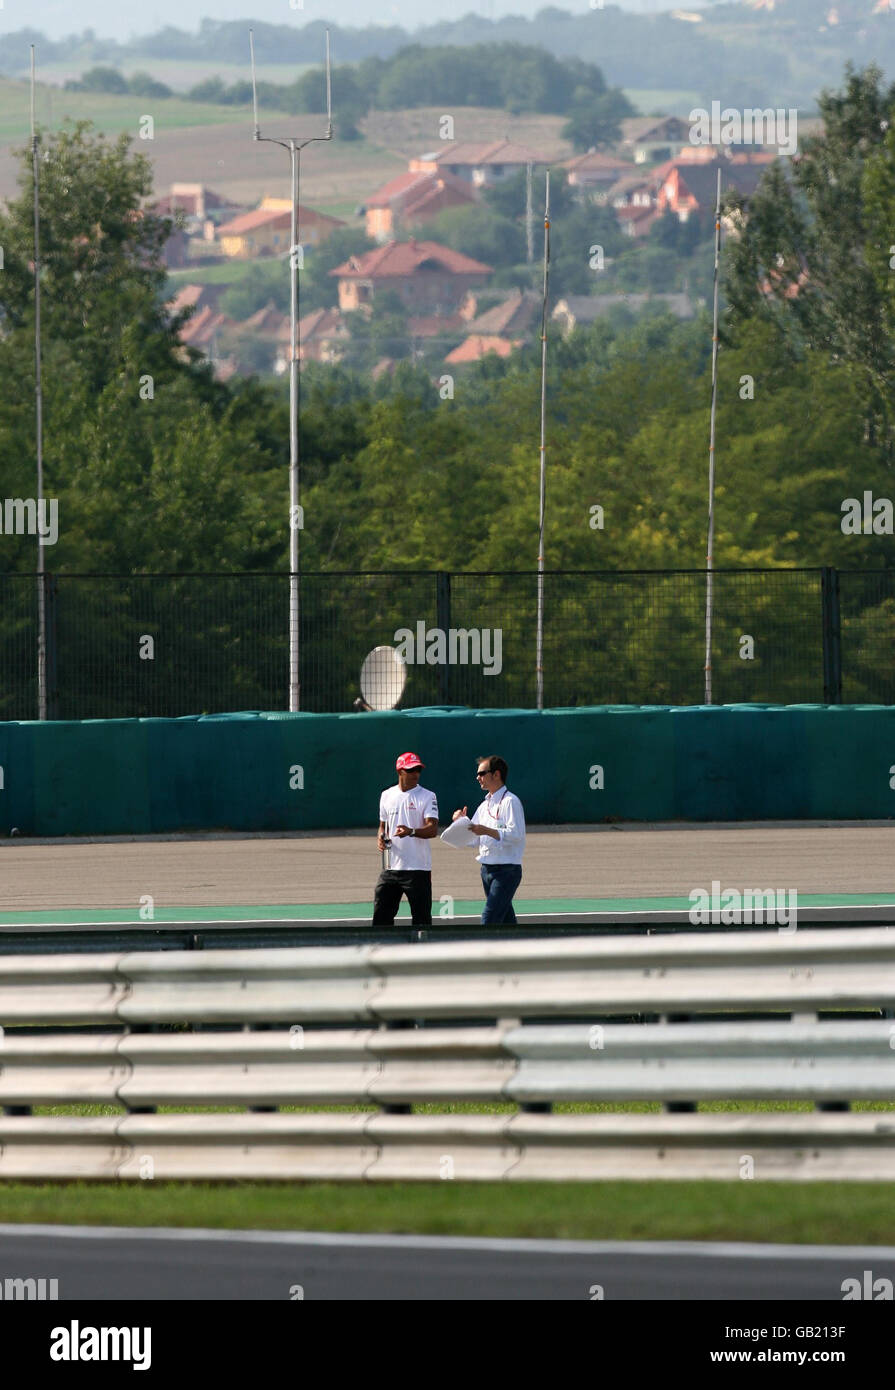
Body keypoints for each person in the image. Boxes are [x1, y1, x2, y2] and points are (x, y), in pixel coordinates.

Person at [452, 754, 526, 925]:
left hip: (506, 871)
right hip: (487, 870)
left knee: (489, 920)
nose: (478, 778)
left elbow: (516, 835)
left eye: (482, 773)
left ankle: (482, 951)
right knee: (506, 921)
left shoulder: (510, 801)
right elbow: (473, 839)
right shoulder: (484, 806)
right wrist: (461, 822)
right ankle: (521, 948)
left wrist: (486, 830)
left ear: (496, 774)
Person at [373, 752, 439, 926]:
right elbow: (383, 825)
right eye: (411, 770)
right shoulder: (386, 795)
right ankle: (380, 950)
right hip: (390, 867)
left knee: (421, 920)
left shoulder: (427, 796)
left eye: (418, 770)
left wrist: (411, 832)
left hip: (417, 868)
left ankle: (421, 951)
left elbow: (432, 829)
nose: (416, 774)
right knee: (381, 917)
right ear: (400, 771)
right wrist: (380, 837)